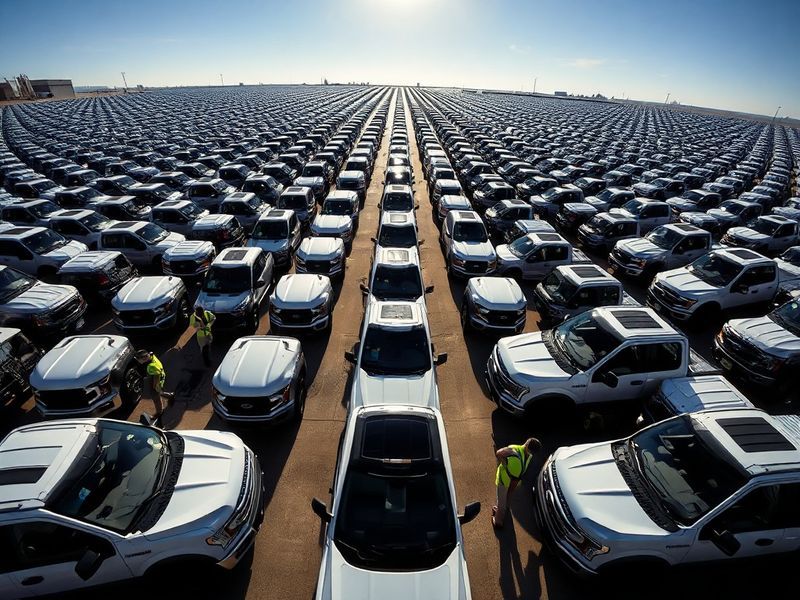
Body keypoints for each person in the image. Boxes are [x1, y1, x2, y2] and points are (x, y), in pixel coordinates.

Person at [492, 437, 542, 528]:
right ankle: (500, 516)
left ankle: (500, 516)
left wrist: (505, 464)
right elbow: (498, 453)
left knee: (505, 498)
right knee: (504, 499)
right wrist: (505, 464)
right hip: (510, 479)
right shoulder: (520, 453)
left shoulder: (522, 452)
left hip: (510, 479)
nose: (531, 454)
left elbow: (499, 453)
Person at [134, 350, 174, 417]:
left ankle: (159, 412)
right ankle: (170, 395)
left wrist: (155, 386)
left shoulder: (152, 366)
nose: (138, 361)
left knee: (156, 398)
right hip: (158, 375)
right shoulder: (152, 355)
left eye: (139, 360)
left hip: (156, 382)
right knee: (159, 393)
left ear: (144, 358)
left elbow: (156, 377)